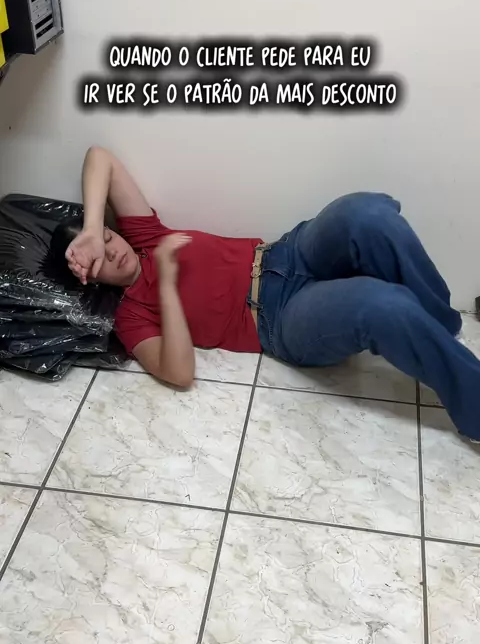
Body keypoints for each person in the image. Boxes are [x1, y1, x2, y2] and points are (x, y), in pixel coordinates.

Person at [51, 145, 480, 441]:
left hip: (287, 253)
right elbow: (179, 373)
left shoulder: (144, 236)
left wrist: (90, 229)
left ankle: (442, 330)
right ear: (91, 279)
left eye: (107, 237)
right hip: (280, 317)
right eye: (99, 258)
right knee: (382, 305)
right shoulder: (132, 316)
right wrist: (165, 282)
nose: (112, 250)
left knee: (367, 213)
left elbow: (99, 157)